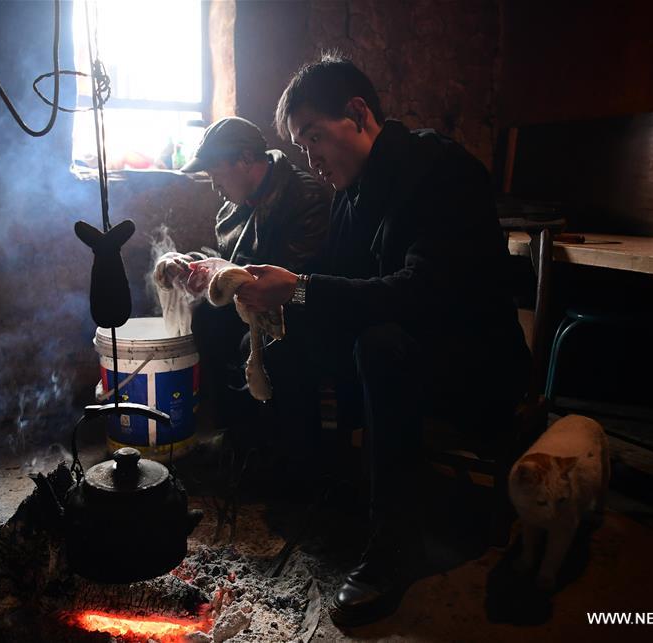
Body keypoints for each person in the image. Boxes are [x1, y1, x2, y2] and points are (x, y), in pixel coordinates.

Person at [235, 55, 532, 626]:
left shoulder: (442, 171)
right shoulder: (353, 191)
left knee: (379, 343)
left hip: (473, 367)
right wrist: (261, 285)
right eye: (301, 148)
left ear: (358, 113)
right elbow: (332, 274)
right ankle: (317, 479)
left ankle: (394, 545)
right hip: (406, 353)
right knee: (289, 335)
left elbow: (419, 294)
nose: (310, 159)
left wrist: (299, 288)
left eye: (314, 138)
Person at [169, 116, 331, 473]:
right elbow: (233, 261)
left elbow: (292, 278)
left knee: (258, 344)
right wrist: (197, 267)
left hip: (302, 307)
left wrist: (226, 276)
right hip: (250, 302)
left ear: (245, 160)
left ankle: (285, 457)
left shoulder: (305, 197)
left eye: (216, 172)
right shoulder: (234, 206)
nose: (214, 185)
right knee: (207, 320)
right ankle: (238, 436)